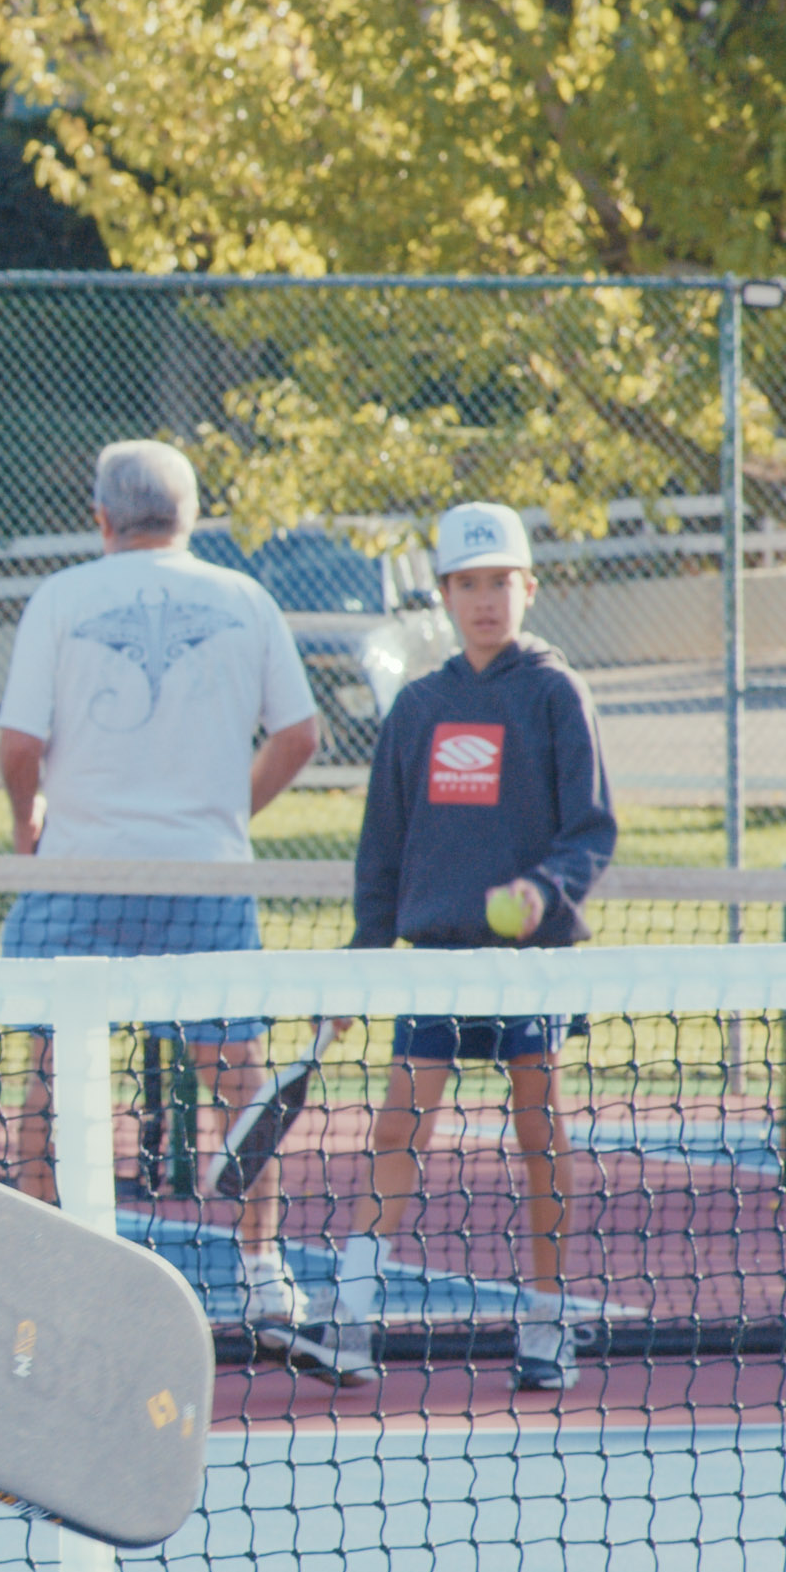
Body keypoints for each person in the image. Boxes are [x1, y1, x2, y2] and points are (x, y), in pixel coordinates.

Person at [0, 441, 318, 1339]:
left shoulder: (60, 598)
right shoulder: (247, 599)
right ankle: (264, 1275)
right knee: (241, 1084)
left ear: (101, 519)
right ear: (191, 515)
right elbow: (300, 736)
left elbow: (19, 747)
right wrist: (225, 814)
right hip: (203, 877)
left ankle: (34, 1274)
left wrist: (30, 825)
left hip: (81, 876)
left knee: (54, 1084)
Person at [289, 499, 615, 1393]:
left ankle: (548, 1323)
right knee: (399, 1126)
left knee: (538, 1132)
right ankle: (351, 1320)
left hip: (527, 965)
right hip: (434, 964)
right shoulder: (419, 707)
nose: (485, 600)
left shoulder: (556, 695)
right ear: (442, 594)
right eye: (467, 584)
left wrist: (539, 894)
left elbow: (591, 832)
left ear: (528, 588)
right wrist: (359, 961)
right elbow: (381, 854)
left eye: (500, 583)